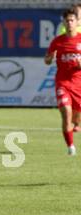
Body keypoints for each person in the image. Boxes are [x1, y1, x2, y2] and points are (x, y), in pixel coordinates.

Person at [45, 8, 81, 155]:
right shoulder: (57, 41)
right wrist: (49, 58)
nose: (70, 23)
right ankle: (70, 147)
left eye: (72, 20)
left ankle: (77, 123)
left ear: (77, 22)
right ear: (64, 23)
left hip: (78, 83)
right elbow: (47, 60)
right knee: (66, 112)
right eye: (67, 20)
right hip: (63, 82)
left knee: (76, 115)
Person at [59, 3, 81, 132]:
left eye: (79, 13)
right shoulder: (65, 29)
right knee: (71, 100)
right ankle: (75, 121)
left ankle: (76, 122)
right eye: (77, 12)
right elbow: (60, 42)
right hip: (69, 70)